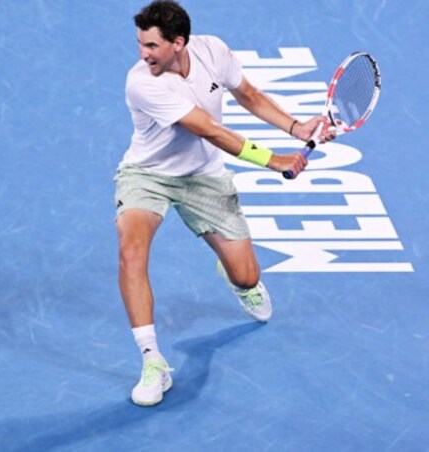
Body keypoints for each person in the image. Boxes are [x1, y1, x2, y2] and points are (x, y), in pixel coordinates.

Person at [115, 0, 334, 407]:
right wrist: (275, 161)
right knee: (131, 252)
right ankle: (152, 361)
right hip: (148, 175)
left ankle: (238, 279)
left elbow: (247, 93)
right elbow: (211, 131)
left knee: (247, 275)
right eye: (141, 45)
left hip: (204, 178)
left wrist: (295, 126)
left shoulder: (213, 50)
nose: (143, 55)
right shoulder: (142, 82)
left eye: (151, 46)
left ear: (179, 42)